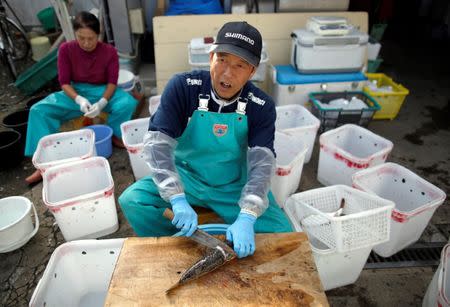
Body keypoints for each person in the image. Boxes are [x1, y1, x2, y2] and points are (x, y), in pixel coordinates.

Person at [119, 21, 292, 258]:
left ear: (252, 71)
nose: (227, 73)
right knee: (134, 200)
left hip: (232, 186)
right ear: (210, 57)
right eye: (222, 60)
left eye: (240, 65)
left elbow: (262, 164)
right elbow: (157, 144)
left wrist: (248, 215)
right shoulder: (183, 87)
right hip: (187, 178)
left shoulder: (262, 105)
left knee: (284, 234)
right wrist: (176, 198)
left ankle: (237, 231)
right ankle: (176, 246)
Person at [24, 11, 137, 184]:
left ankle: (114, 134)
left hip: (101, 91)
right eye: (80, 37)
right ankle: (42, 164)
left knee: (127, 102)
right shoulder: (66, 49)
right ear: (75, 34)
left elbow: (112, 83)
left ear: (98, 35)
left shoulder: (109, 51)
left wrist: (102, 102)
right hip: (74, 92)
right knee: (38, 110)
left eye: (90, 38)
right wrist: (79, 100)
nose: (86, 43)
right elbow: (64, 82)